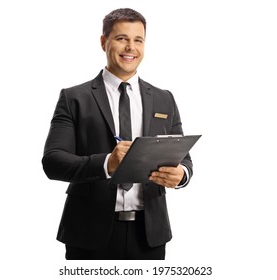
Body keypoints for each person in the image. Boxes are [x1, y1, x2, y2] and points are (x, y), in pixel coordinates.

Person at [42, 8, 194, 260]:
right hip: (88, 232)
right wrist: (106, 163)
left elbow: (184, 158)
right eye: (122, 38)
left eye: (138, 40)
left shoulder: (164, 99)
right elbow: (53, 161)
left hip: (150, 235)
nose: (130, 48)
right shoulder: (74, 98)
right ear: (104, 42)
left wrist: (182, 175)